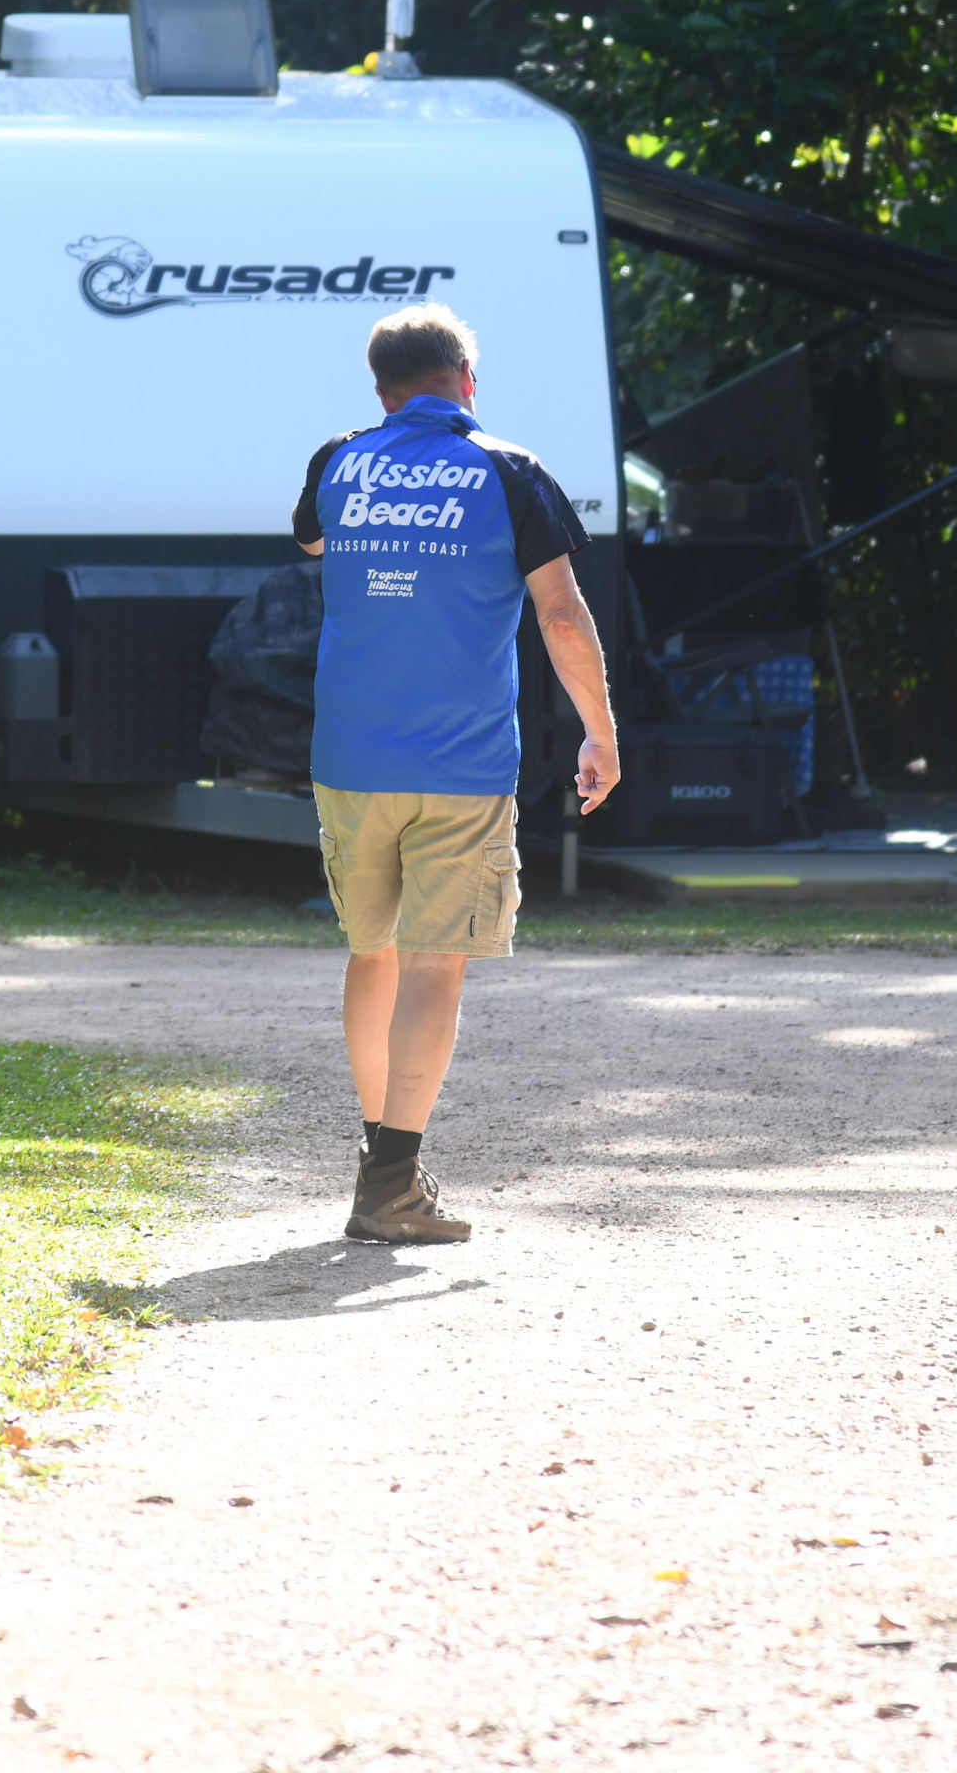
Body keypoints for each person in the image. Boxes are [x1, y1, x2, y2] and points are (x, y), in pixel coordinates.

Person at [294, 303, 619, 1244]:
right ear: (467, 380)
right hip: (464, 766)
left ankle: (377, 1156)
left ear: (382, 389)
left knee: (373, 953)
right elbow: (561, 615)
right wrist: (600, 733)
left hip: (350, 758)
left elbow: (311, 539)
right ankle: (392, 1180)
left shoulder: (338, 463)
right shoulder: (510, 471)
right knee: (436, 963)